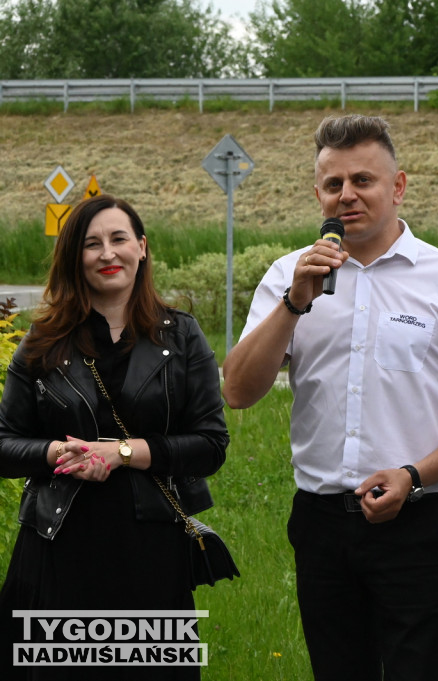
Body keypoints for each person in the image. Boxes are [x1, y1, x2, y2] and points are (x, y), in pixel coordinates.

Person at [221, 114, 438, 681]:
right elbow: (238, 391)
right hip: (320, 521)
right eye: (333, 184)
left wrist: (414, 476)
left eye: (363, 181)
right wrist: (294, 302)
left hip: (414, 518)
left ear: (397, 187)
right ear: (318, 193)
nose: (347, 195)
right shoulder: (288, 275)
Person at [0, 194, 230, 680]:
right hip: (58, 548)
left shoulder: (183, 337)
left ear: (141, 248)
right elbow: (5, 443)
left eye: (119, 239)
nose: (107, 253)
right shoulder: (41, 342)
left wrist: (122, 453)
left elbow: (211, 444)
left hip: (151, 551)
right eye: (91, 244)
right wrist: (54, 451)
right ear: (74, 259)